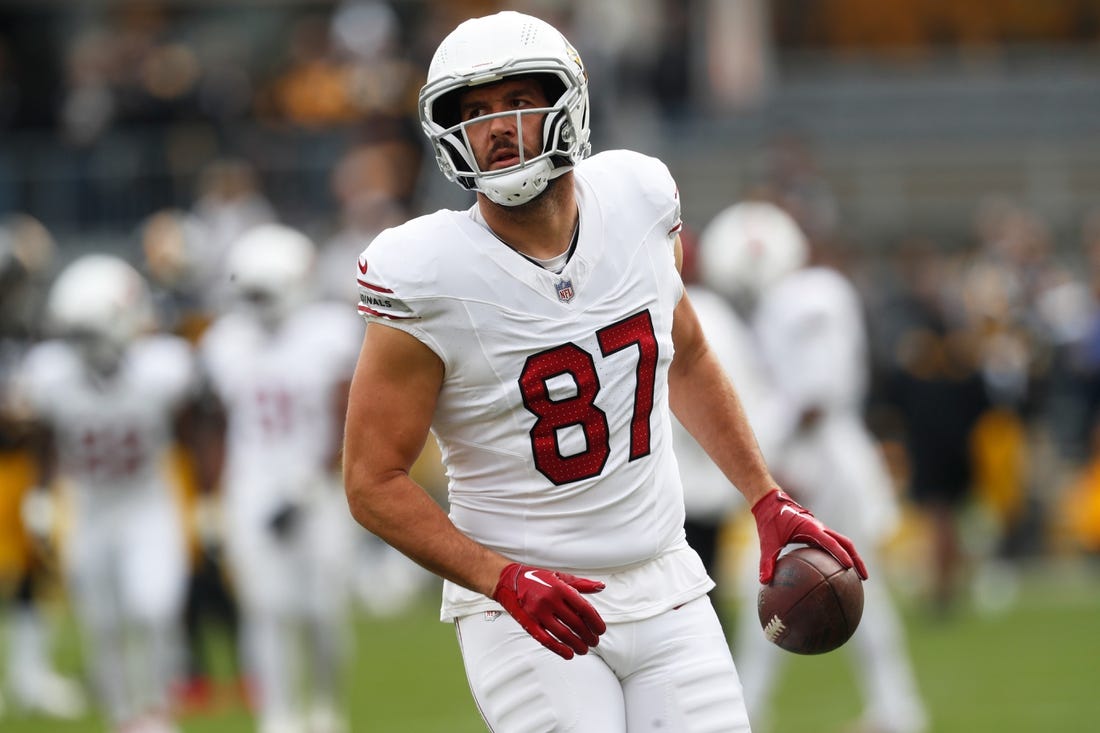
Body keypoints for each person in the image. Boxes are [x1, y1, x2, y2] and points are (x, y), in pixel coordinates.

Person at [342, 11, 866, 732]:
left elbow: (688, 356)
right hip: (527, 604)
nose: (496, 128)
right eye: (474, 113)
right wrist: (500, 578)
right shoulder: (424, 272)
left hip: (666, 580)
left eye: (517, 102)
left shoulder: (639, 198)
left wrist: (765, 497)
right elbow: (372, 481)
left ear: (567, 102)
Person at [698, 200, 927, 733]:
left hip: (821, 458)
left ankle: (747, 710)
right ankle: (895, 709)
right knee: (845, 583)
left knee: (783, 581)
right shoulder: (806, 295)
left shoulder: (806, 297)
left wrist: (766, 451)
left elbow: (815, 395)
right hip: (821, 453)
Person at [16, 253, 195, 733]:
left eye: (88, 332)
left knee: (154, 607)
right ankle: (123, 718)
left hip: (146, 506)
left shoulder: (161, 368)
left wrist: (206, 493)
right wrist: (40, 491)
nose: (81, 345)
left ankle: (157, 710)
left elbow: (195, 425)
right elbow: (43, 435)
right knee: (103, 623)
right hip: (88, 508)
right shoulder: (51, 373)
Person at [196, 223, 364, 733]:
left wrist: (312, 481)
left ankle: (325, 706)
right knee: (264, 607)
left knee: (322, 610)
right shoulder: (224, 341)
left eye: (264, 291)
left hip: (316, 486)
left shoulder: (330, 332)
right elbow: (215, 425)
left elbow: (350, 417)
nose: (257, 303)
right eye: (248, 292)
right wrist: (208, 498)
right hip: (252, 483)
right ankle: (278, 715)